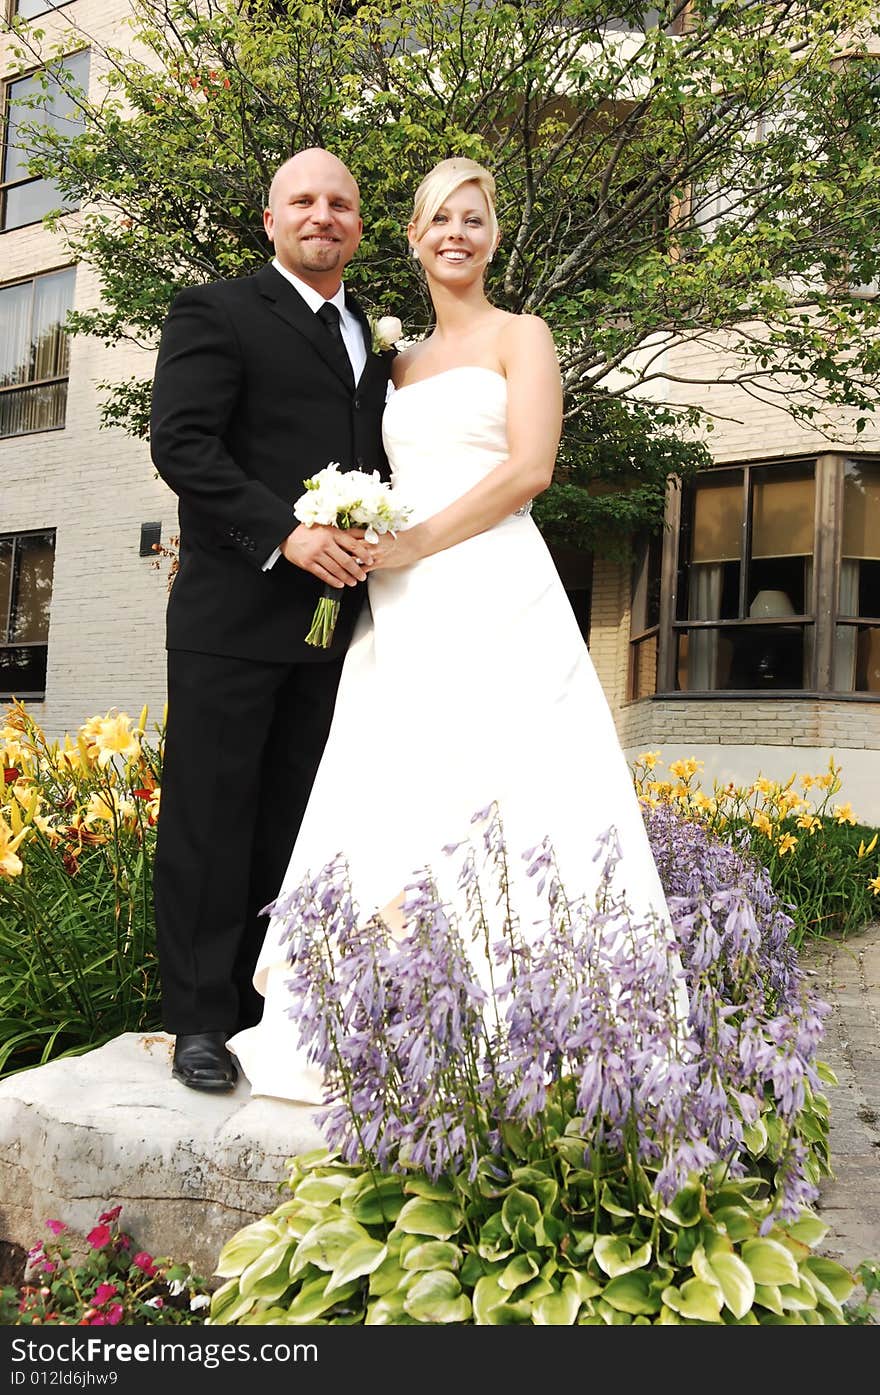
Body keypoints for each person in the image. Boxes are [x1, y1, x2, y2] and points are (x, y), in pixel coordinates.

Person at [227, 156, 686, 1101]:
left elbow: (530, 472)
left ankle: (548, 1023)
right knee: (394, 775)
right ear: (413, 237)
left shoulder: (526, 335)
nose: (456, 234)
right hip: (400, 603)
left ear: (492, 236)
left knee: (514, 777)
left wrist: (418, 541)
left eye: (473, 219)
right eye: (439, 219)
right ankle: (387, 1015)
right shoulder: (393, 363)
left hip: (493, 585)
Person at [149, 148, 393, 1092]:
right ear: (270, 219)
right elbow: (183, 443)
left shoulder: (371, 335)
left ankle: (267, 1009)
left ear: (359, 226)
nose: (322, 214)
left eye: (340, 201)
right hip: (233, 609)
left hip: (334, 625)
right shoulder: (216, 310)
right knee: (212, 818)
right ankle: (201, 1022)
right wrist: (283, 535)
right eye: (304, 200)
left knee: (295, 817)